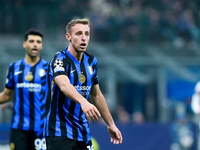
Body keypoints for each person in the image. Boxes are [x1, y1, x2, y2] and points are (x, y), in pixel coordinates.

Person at [45, 18, 123, 150]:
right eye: (78, 33)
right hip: (59, 132)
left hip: (83, 133)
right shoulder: (59, 60)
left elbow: (96, 94)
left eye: (86, 34)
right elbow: (64, 85)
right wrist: (84, 102)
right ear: (68, 37)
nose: (83, 38)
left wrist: (110, 124)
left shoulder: (91, 61)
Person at [0, 28, 47, 150]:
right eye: (31, 41)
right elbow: (6, 95)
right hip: (19, 129)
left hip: (41, 128)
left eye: (38, 41)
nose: (35, 44)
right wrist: (10, 104)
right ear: (24, 44)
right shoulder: (14, 68)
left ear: (41, 45)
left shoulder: (49, 69)